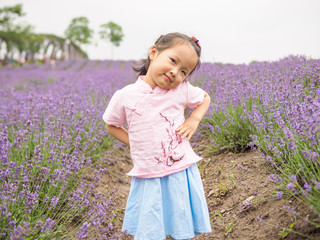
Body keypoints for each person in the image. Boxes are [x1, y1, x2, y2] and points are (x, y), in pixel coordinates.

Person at [102, 32, 212, 240]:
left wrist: (194, 120)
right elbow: (112, 125)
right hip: (148, 172)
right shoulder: (126, 95)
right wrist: (135, 143)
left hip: (180, 169)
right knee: (151, 223)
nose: (174, 73)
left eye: (183, 71)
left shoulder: (182, 90)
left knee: (181, 218)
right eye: (172, 61)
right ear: (154, 53)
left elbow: (205, 98)